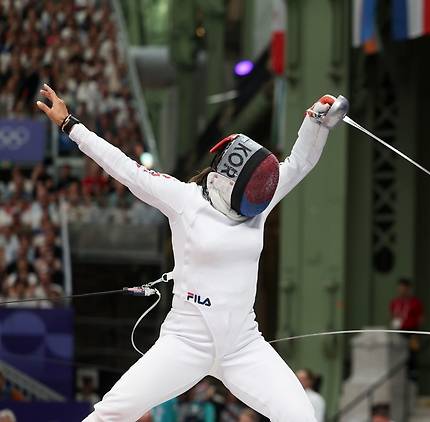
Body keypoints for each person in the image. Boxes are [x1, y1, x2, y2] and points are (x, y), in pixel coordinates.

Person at [37, 83, 348, 422]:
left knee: (300, 416)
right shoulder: (184, 200)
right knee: (113, 412)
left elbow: (299, 163)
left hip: (243, 345)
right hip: (186, 342)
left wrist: (316, 122)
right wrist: (71, 125)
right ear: (229, 182)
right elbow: (124, 168)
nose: (261, 196)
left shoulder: (259, 202)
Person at [389, 278, 424, 379]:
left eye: (404, 289)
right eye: (399, 289)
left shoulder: (415, 302)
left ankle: (412, 374)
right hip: (399, 331)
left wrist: (417, 332)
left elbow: (420, 318)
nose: (401, 291)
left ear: (408, 289)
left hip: (412, 331)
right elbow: (392, 316)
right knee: (398, 353)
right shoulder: (394, 302)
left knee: (412, 353)